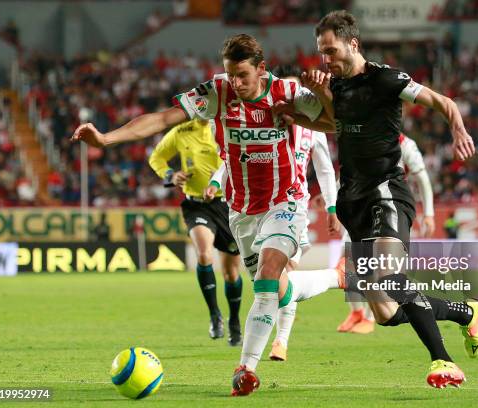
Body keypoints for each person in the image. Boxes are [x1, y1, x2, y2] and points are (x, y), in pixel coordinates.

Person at [71, 34, 340, 397]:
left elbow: (338, 122)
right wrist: (106, 139)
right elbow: (163, 118)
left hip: (286, 201)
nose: (237, 83)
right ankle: (335, 277)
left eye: (243, 75)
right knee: (276, 290)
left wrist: (323, 94)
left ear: (262, 69)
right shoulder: (218, 92)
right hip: (241, 210)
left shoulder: (287, 94)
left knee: (268, 275)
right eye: (231, 75)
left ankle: (245, 369)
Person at [276, 10, 478, 388]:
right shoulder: (334, 86)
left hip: (386, 192)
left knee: (390, 275)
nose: (326, 59)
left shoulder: (387, 79)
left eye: (332, 50)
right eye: (322, 52)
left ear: (352, 44)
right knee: (386, 313)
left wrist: (458, 131)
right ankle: (464, 312)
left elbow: (444, 101)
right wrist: (293, 113)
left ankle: (444, 361)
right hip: (353, 200)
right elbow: (333, 122)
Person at [207, 64, 341, 362]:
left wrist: (332, 207)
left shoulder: (312, 129)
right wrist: (217, 179)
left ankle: (280, 341)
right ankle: (335, 277)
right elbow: (235, 154)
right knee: (271, 284)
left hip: (293, 205)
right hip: (254, 209)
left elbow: (324, 169)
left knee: (282, 271)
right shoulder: (264, 122)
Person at [149, 118, 243, 346]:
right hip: (196, 205)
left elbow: (237, 159)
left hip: (228, 205)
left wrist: (220, 184)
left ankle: (234, 321)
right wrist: (171, 174)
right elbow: (156, 158)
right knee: (204, 254)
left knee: (231, 272)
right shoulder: (181, 131)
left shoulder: (229, 125)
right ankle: (214, 314)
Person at [337, 133, 436, 334]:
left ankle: (373, 315)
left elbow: (421, 176)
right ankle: (358, 313)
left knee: (386, 268)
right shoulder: (360, 136)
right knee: (348, 259)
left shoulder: (405, 144)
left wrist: (429, 213)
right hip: (361, 206)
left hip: (390, 207)